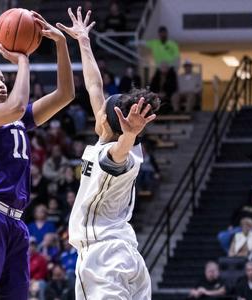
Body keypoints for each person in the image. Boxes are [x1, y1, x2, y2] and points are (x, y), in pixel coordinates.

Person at [0, 10, 75, 300]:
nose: (2, 84)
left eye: (3, 79)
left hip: (16, 222)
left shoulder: (17, 118)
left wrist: (60, 44)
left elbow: (65, 94)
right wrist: (22, 59)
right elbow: (18, 105)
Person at [58, 8, 157, 299]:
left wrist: (130, 134)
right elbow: (94, 85)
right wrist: (83, 42)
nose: (96, 107)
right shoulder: (115, 142)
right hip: (126, 254)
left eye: (101, 109)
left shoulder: (117, 152)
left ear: (107, 121)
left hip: (102, 257)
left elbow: (119, 153)